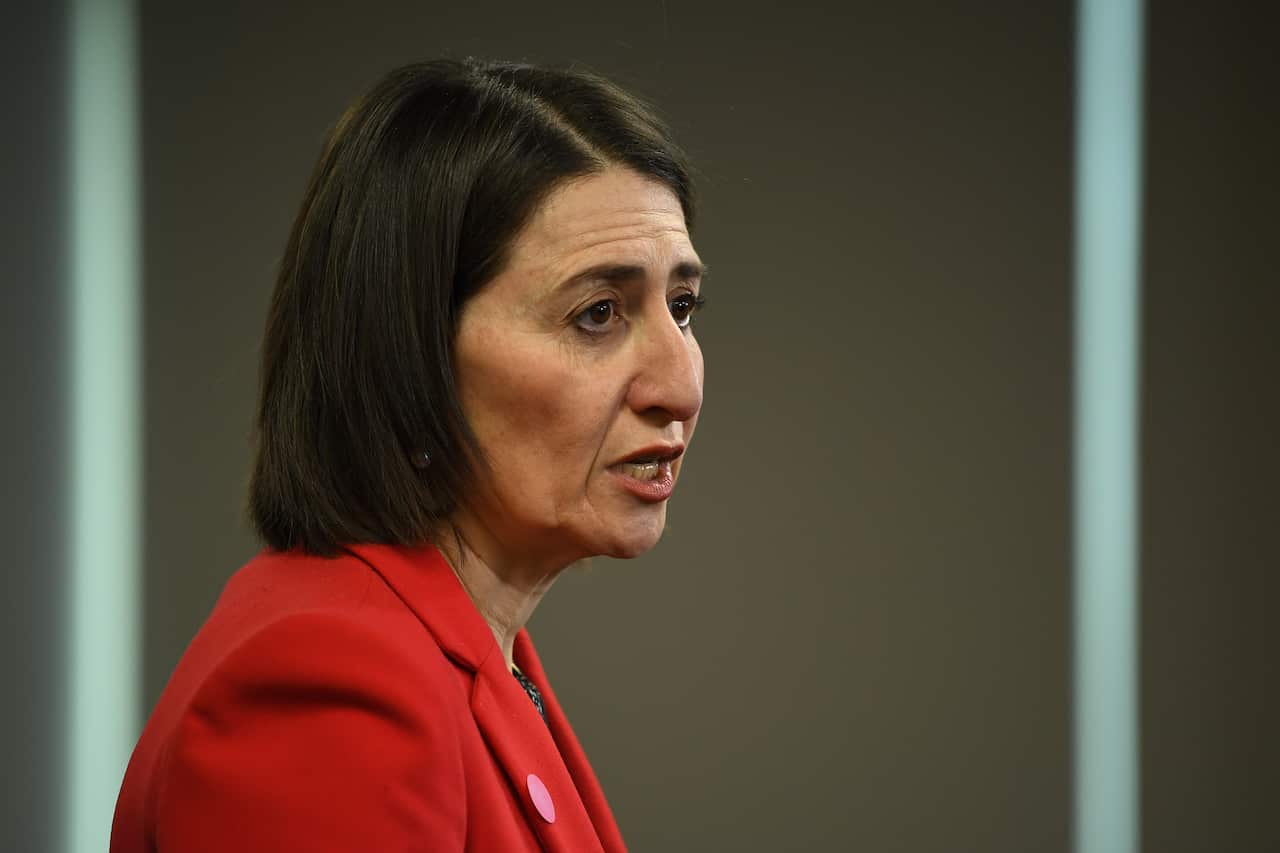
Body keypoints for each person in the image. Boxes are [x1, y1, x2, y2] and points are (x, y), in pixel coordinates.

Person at [110, 57, 707, 852]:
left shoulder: (465, 652)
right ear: (409, 351)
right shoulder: (330, 683)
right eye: (598, 312)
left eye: (682, 306)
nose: (679, 385)